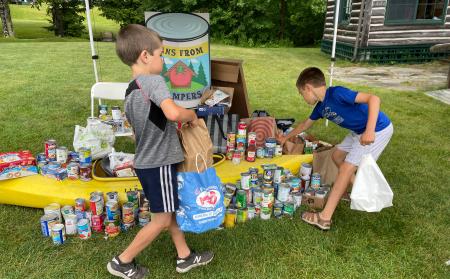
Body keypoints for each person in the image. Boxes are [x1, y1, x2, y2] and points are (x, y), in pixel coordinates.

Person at [107, 24, 214, 279]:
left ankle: (185, 256)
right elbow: (173, 113)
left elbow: (140, 128)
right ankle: (122, 261)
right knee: (161, 220)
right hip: (159, 163)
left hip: (147, 162)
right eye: (161, 54)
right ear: (145, 56)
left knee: (170, 210)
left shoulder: (132, 88)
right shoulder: (154, 81)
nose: (164, 61)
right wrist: (192, 115)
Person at [278, 67, 393, 231]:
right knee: (337, 156)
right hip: (358, 132)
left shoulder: (337, 93)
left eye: (301, 93)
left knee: (346, 167)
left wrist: (369, 130)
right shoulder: (320, 107)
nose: (302, 97)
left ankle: (324, 218)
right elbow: (305, 124)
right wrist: (285, 138)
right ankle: (355, 190)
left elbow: (374, 99)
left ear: (308, 88)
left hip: (377, 129)